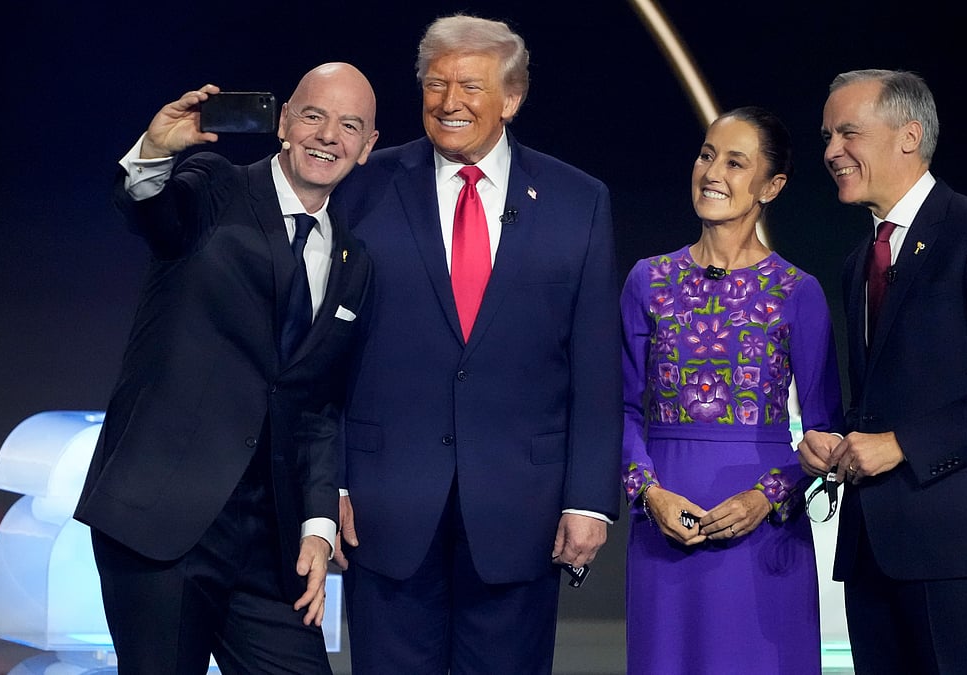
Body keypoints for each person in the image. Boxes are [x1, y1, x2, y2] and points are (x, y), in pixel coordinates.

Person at [329, 14, 622, 675]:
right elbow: (327, 355)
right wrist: (332, 480)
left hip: (522, 504)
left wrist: (586, 498)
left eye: (469, 85)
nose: (448, 101)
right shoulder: (365, 187)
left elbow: (596, 368)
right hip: (385, 502)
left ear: (511, 98)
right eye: (435, 84)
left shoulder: (579, 201)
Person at [74, 62, 380, 674]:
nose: (329, 136)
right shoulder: (215, 187)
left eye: (350, 126)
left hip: (271, 545)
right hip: (163, 524)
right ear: (284, 124)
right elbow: (152, 210)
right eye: (314, 116)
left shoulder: (354, 260)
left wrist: (317, 528)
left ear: (367, 148)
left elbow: (318, 404)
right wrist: (156, 153)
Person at [799, 68, 967, 673]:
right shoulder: (861, 258)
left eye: (849, 133)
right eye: (828, 136)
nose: (832, 151)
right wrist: (840, 442)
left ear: (909, 136)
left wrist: (900, 445)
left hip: (958, 546)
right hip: (871, 549)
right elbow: (886, 391)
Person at [620, 106, 845, 674]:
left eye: (735, 163)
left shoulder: (799, 291)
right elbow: (620, 407)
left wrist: (767, 496)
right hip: (666, 528)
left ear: (772, 186)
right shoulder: (648, 280)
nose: (712, 172)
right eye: (706, 155)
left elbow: (824, 432)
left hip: (763, 533)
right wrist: (649, 493)